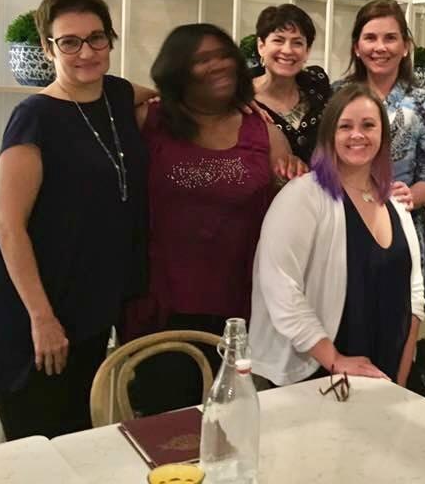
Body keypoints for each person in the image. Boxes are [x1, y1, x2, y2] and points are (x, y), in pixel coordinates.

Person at [0, 0, 149, 439]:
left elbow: (172, 98)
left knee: (79, 433)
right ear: (48, 48)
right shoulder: (34, 116)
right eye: (69, 42)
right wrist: (41, 319)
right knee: (39, 441)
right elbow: (8, 226)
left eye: (96, 38)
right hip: (27, 299)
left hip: (85, 292)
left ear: (110, 39)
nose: (86, 52)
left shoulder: (119, 94)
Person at [122, 23, 297, 415]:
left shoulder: (265, 133)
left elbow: (289, 210)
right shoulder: (150, 120)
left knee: (232, 425)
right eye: (202, 59)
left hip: (239, 313)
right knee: (166, 430)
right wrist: (156, 93)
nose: (218, 65)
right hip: (161, 309)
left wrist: (294, 174)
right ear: (177, 69)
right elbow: (99, 93)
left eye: (223, 55)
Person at [249, 84, 425, 386]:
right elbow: (279, 285)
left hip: (385, 374)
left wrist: (400, 377)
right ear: (330, 134)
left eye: (368, 125)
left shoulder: (395, 203)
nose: (357, 135)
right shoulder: (303, 196)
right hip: (317, 376)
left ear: (383, 135)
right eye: (345, 126)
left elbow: (415, 295)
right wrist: (334, 359)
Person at [336, 0, 425, 300]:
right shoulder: (335, 95)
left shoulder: (424, 104)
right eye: (370, 38)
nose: (380, 47)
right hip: (343, 222)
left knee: (402, 314)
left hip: (403, 225)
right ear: (356, 47)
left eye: (390, 38)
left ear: (406, 47)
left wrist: (410, 195)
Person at [252, 4, 332, 163]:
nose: (287, 50)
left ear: (307, 51)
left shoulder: (317, 83)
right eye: (278, 40)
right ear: (261, 46)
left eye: (297, 43)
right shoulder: (240, 96)